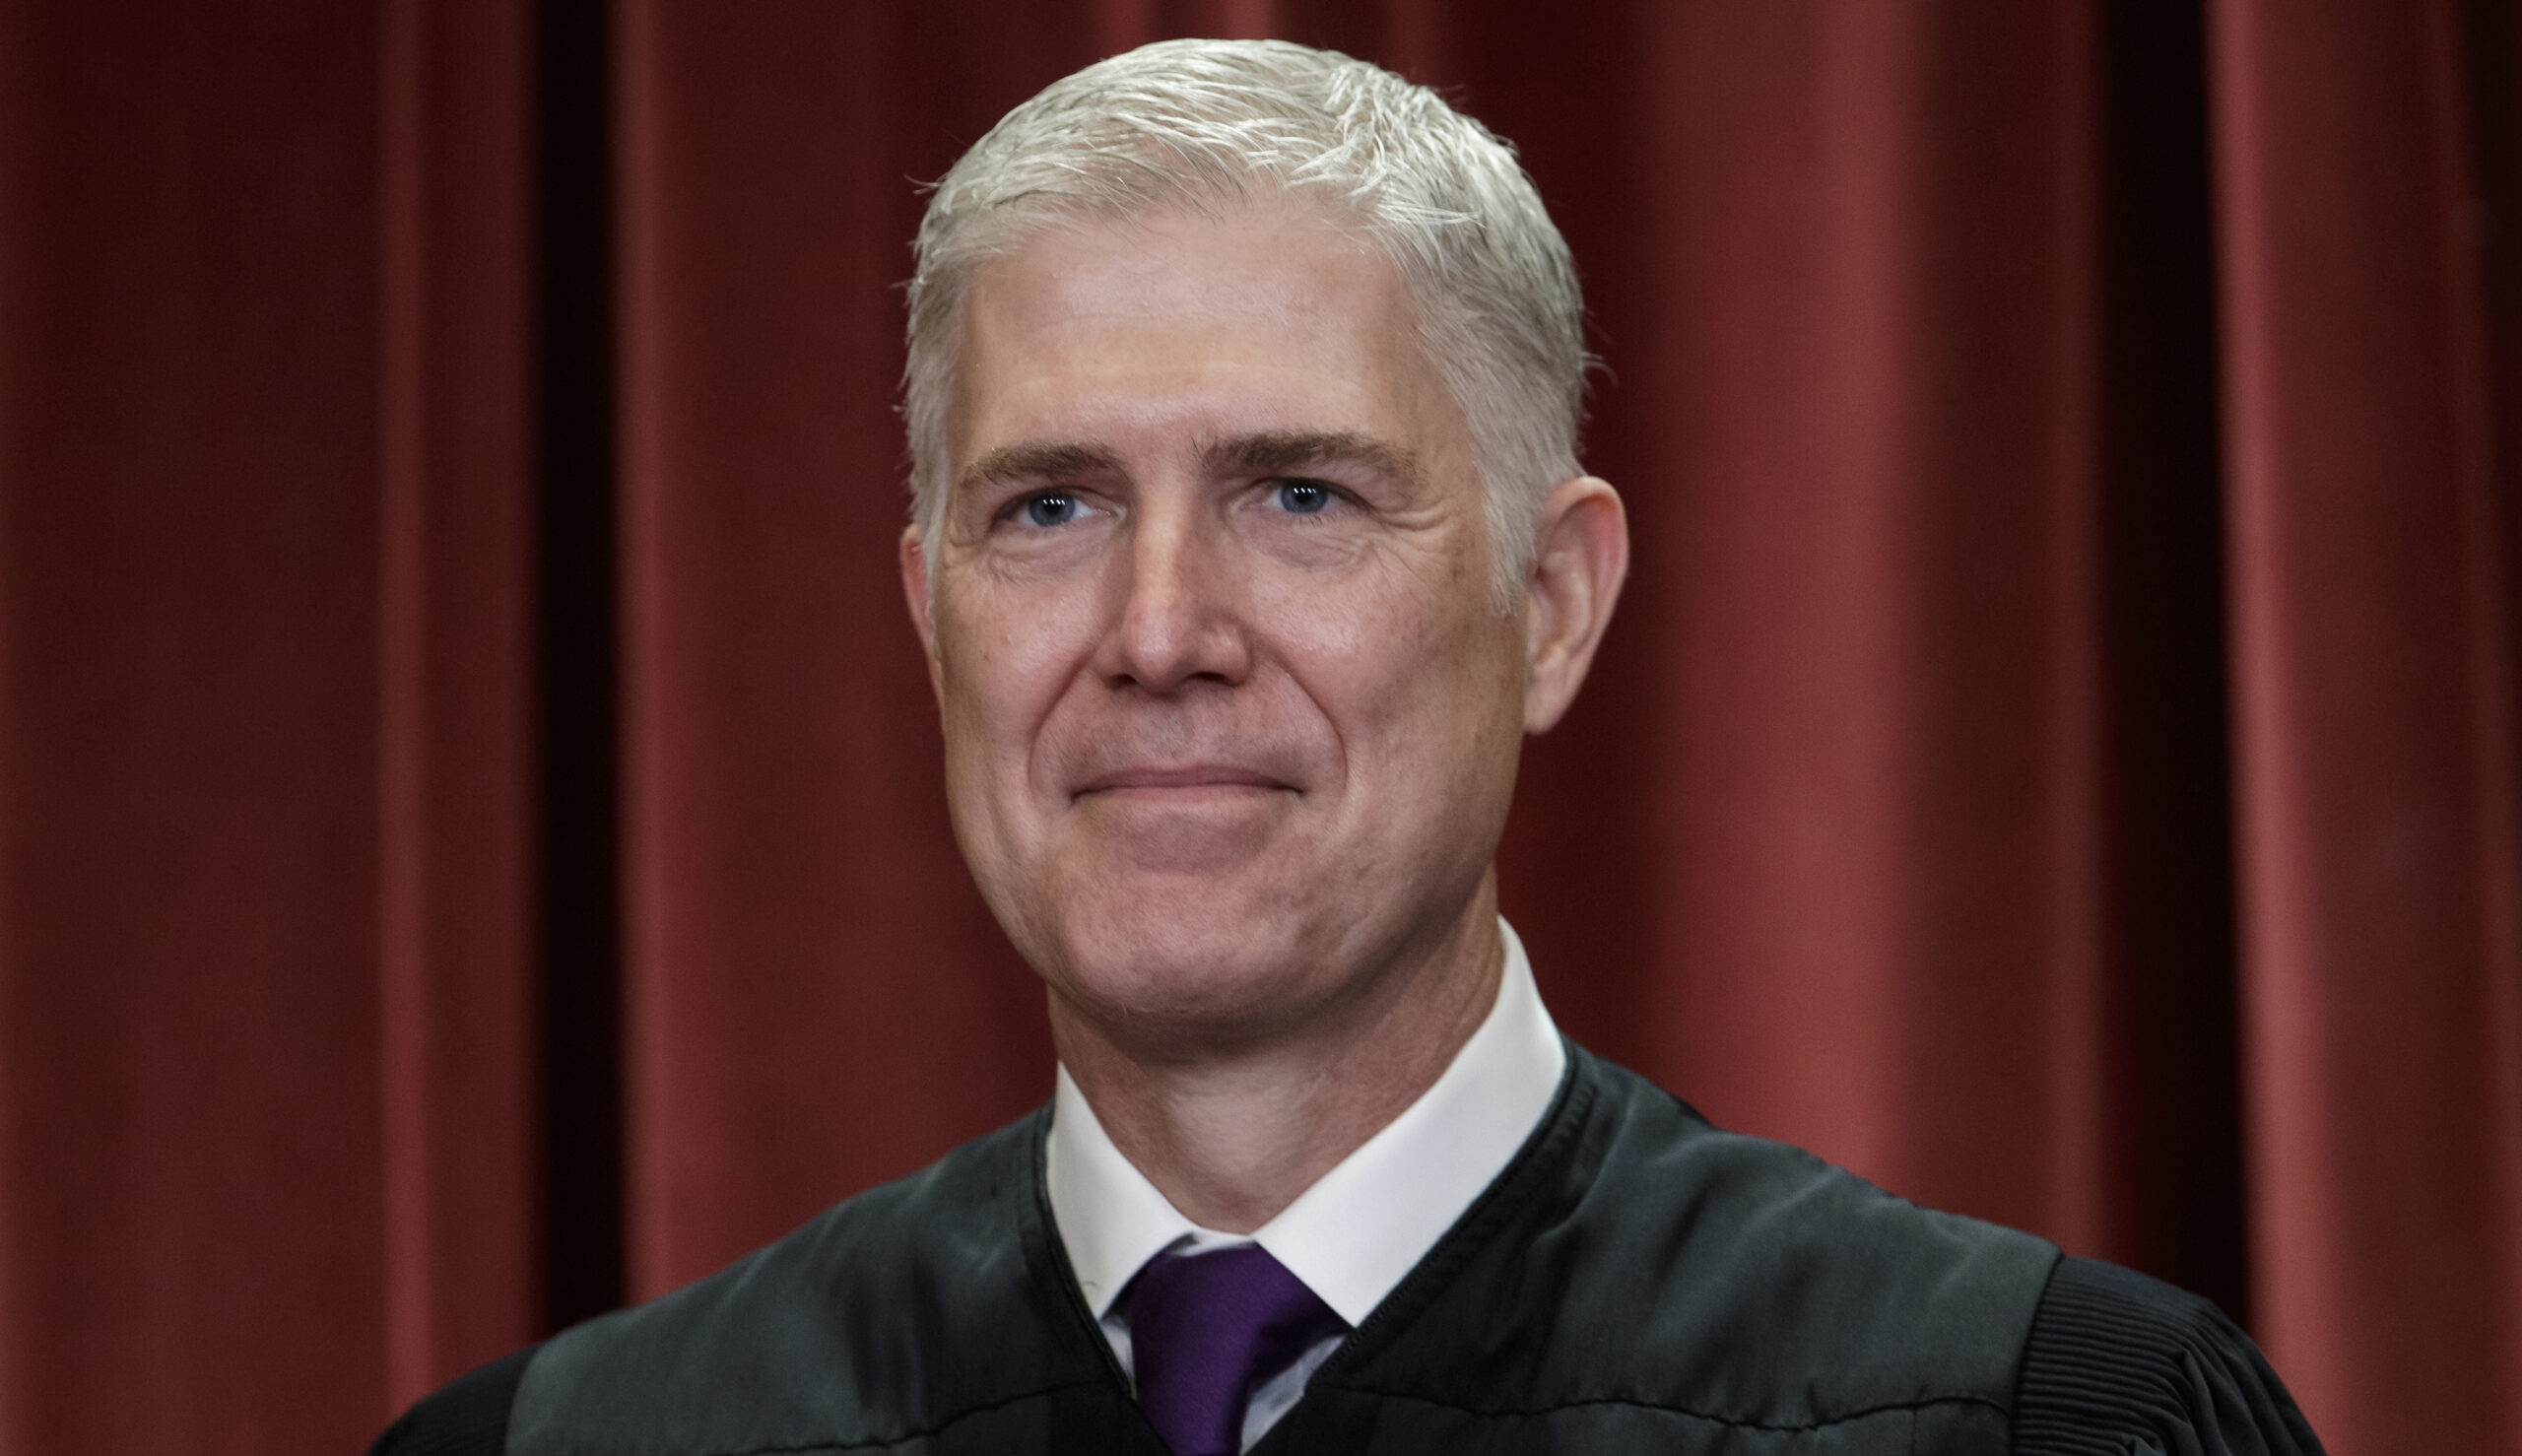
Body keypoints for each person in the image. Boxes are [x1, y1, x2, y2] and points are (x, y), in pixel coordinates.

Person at [376, 38, 2322, 1456]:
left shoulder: (2026, 1419)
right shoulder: (570, 1444)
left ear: (1549, 602)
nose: (1158, 633)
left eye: (1298, 494)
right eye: (1047, 506)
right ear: (928, 613)